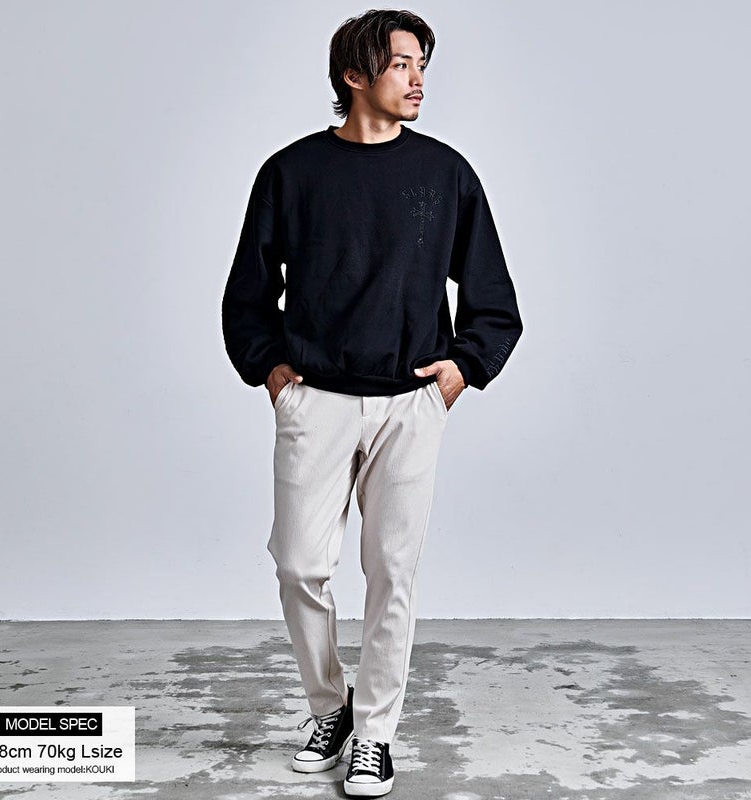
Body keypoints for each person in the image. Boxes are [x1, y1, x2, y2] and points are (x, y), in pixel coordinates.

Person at [221, 9, 522, 797]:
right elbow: (247, 296)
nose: (418, 80)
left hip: (409, 405)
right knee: (299, 564)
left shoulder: (445, 174)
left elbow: (493, 298)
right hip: (315, 399)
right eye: (401, 64)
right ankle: (332, 708)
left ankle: (376, 735)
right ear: (354, 76)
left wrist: (459, 373)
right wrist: (275, 376)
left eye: (422, 65)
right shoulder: (291, 173)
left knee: (391, 572)